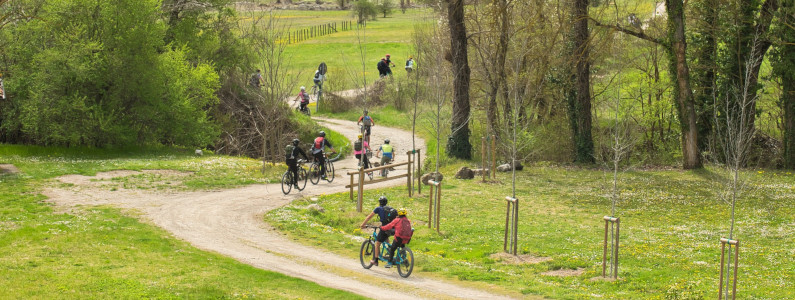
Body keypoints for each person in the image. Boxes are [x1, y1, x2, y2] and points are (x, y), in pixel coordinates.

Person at [359, 196, 395, 266]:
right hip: (393, 227)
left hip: (385, 227)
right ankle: (389, 250)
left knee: (377, 243)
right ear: (386, 202)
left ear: (379, 202)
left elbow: (369, 217)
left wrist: (362, 225)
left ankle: (375, 260)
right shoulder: (390, 208)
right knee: (385, 236)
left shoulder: (378, 208)